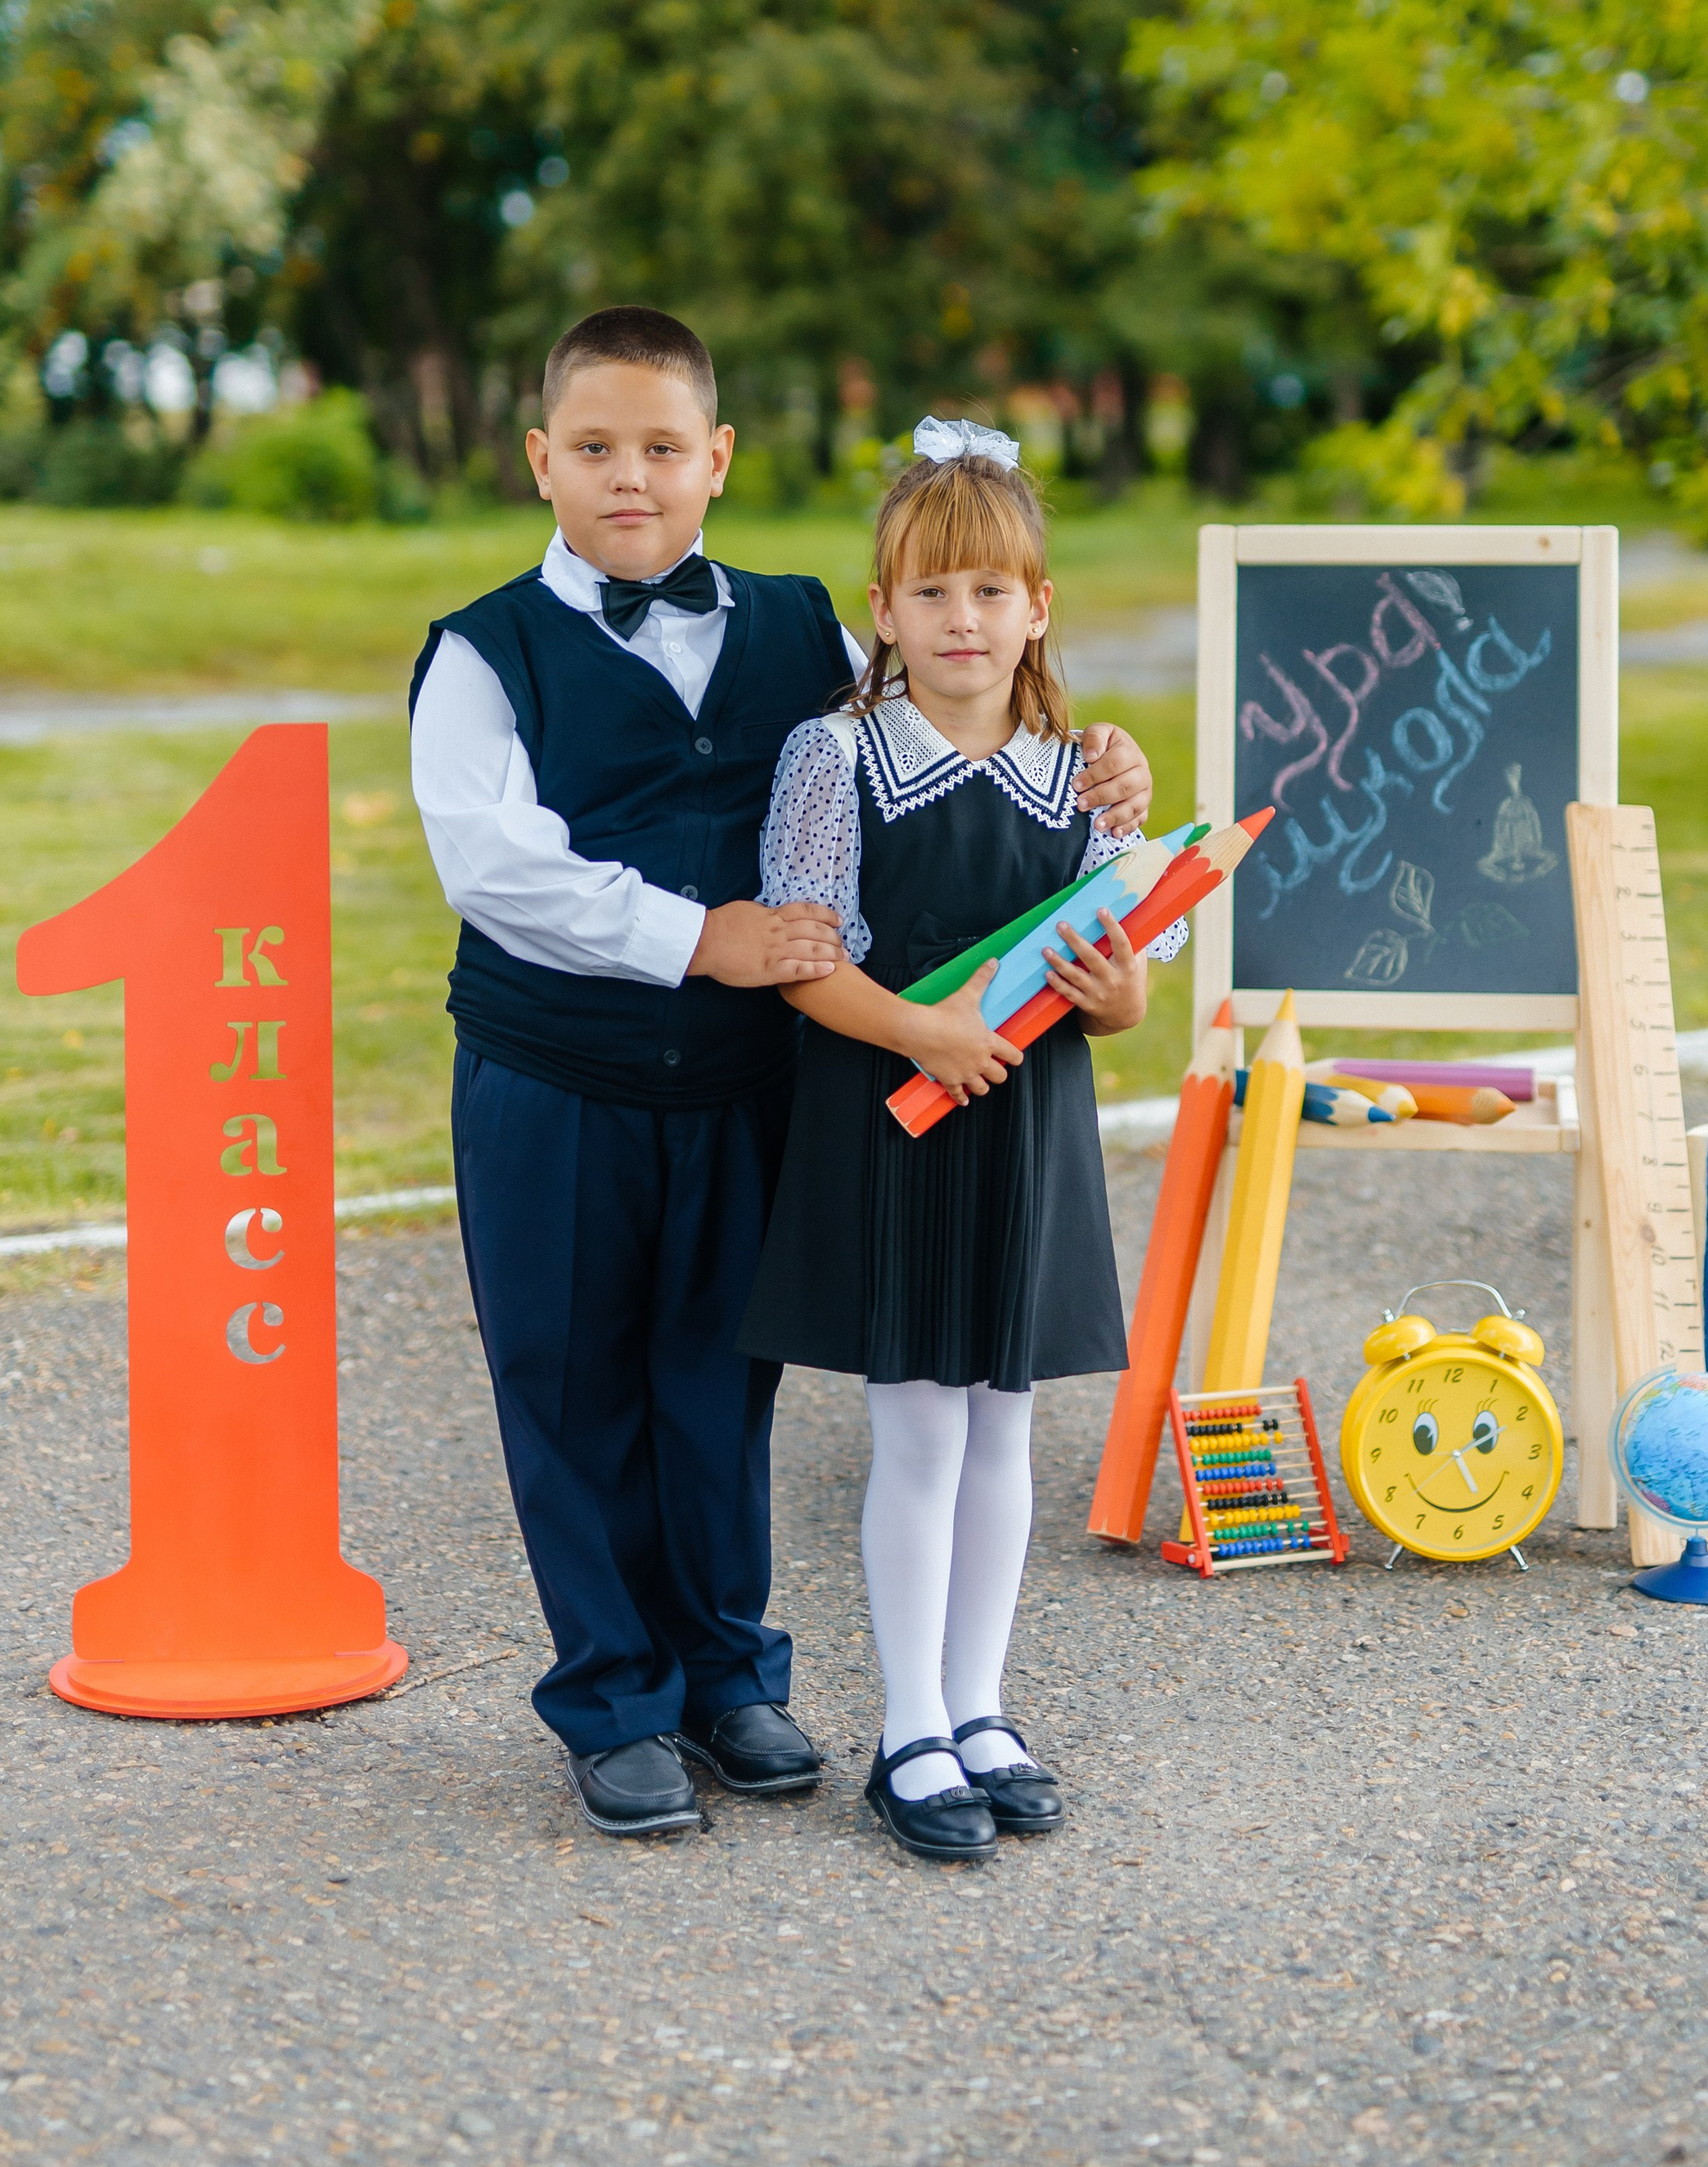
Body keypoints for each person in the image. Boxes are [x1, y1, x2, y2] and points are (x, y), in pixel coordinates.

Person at [408, 314, 1154, 1838]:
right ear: (541, 460)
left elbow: (942, 718)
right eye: (598, 449)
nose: (632, 479)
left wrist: (1105, 768)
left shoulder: (802, 626)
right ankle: (614, 1696)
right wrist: (706, 939)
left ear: (717, 461)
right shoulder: (483, 656)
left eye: (664, 449)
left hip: (746, 1086)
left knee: (714, 1385)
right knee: (570, 1385)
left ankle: (729, 1673)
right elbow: (498, 871)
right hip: (555, 1077)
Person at [739, 418, 1183, 1862]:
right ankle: (909, 1726)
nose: (962, 619)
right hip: (897, 1123)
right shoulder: (835, 756)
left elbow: (1123, 993)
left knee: (1009, 1428)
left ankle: (983, 1707)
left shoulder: (1087, 778)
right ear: (884, 609)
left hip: (1030, 1139)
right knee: (918, 1429)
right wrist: (923, 1034)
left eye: (992, 591)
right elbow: (807, 959)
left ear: (1038, 607)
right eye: (931, 592)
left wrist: (1119, 996)